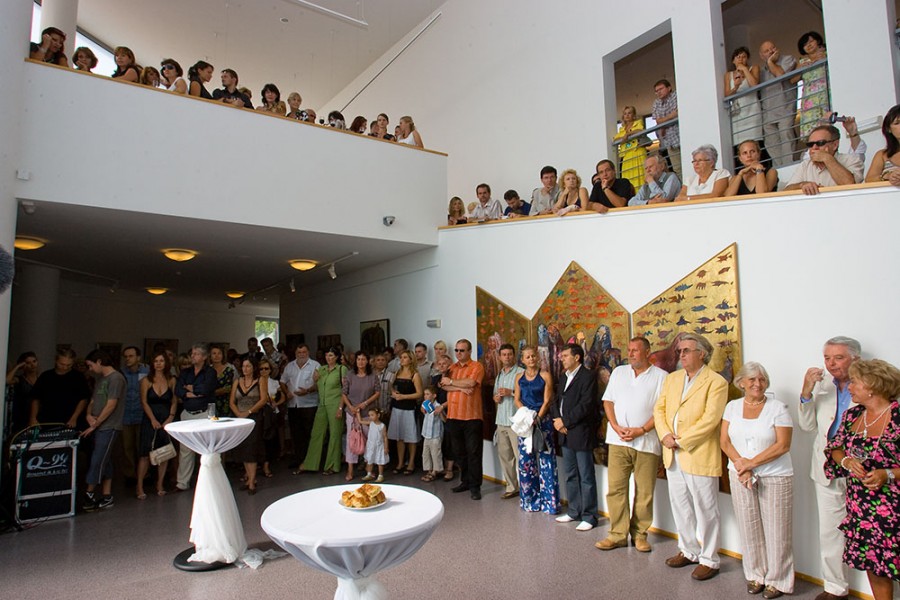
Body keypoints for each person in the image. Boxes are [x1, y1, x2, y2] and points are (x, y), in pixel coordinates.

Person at [653, 333, 728, 581]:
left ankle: (710, 559)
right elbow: (659, 409)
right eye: (680, 351)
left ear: (701, 354)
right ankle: (688, 550)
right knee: (681, 506)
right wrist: (665, 435)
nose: (681, 355)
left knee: (706, 509)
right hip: (672, 455)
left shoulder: (716, 382)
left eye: (686, 350)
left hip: (698, 454)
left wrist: (681, 441)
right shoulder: (673, 378)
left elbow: (710, 419)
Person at [825, 359, 900, 600]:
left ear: (872, 385)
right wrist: (846, 461)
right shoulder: (852, 416)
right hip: (862, 506)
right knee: (875, 566)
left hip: (894, 506)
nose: (850, 387)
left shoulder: (897, 416)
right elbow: (835, 448)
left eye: (854, 382)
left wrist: (887, 474)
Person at [720, 362, 794, 598]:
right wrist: (741, 465)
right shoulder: (732, 407)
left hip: (775, 476)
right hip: (739, 475)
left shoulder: (778, 408)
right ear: (741, 382)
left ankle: (778, 581)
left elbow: (783, 445)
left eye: (762, 379)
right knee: (748, 526)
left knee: (777, 531)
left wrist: (750, 464)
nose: (757, 384)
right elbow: (725, 442)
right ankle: (755, 575)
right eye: (752, 379)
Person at [799, 336, 861, 600]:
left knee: (874, 533)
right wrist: (806, 392)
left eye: (839, 357)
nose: (831, 363)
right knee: (830, 532)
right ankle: (836, 588)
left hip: (861, 470)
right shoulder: (822, 386)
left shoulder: (870, 385)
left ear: (856, 359)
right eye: (827, 358)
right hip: (826, 469)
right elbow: (807, 426)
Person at [595, 337, 666, 553]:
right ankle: (617, 534)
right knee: (616, 489)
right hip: (617, 440)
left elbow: (662, 410)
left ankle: (640, 535)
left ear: (648, 352)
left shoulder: (661, 377)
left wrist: (642, 430)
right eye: (629, 350)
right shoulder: (619, 372)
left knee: (644, 491)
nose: (631, 353)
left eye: (636, 350)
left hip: (646, 442)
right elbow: (608, 401)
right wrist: (615, 426)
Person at [552, 344, 598, 531]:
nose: (561, 358)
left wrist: (565, 421)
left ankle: (589, 516)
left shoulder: (588, 376)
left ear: (576, 357)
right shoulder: (564, 376)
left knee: (586, 476)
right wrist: (557, 420)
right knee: (570, 474)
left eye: (565, 355)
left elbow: (586, 405)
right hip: (564, 432)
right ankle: (573, 511)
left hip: (580, 432)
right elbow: (556, 400)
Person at [513, 345, 558, 513]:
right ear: (522, 360)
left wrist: (537, 417)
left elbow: (547, 400)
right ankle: (529, 501)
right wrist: (526, 415)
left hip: (542, 421)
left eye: (533, 356)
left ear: (537, 357)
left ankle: (550, 503)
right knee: (526, 462)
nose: (531, 359)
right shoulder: (519, 377)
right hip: (525, 422)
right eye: (528, 357)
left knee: (546, 460)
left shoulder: (545, 375)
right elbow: (517, 399)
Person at [81, 349, 127, 511]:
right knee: (104, 459)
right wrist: (88, 415)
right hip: (97, 424)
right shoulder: (100, 378)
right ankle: (107, 496)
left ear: (99, 361)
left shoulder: (116, 378)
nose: (90, 369)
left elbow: (111, 404)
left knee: (98, 459)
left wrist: (96, 423)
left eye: (91, 365)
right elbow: (93, 400)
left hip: (109, 426)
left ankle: (89, 492)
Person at [441, 339, 485, 500]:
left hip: (472, 417)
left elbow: (471, 382)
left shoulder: (476, 366)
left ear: (469, 351)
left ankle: (475, 487)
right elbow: (443, 385)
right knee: (459, 453)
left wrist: (452, 382)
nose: (458, 353)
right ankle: (465, 481)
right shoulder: (452, 367)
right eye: (457, 350)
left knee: (473, 453)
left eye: (462, 350)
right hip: (453, 416)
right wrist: (461, 387)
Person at [174, 343, 218, 492]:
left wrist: (192, 388)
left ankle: (209, 480)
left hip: (206, 412)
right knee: (185, 449)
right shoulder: (185, 372)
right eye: (192, 353)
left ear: (204, 357)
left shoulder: (210, 372)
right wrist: (190, 393)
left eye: (196, 354)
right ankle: (182, 482)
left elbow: (206, 389)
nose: (192, 356)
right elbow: (178, 389)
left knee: (208, 447)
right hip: (188, 412)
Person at [136, 351, 177, 499]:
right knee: (145, 454)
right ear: (152, 364)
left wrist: (170, 417)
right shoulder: (146, 380)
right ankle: (139, 486)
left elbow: (174, 400)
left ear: (166, 363)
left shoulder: (171, 380)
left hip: (166, 418)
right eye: (156, 361)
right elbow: (144, 402)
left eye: (161, 361)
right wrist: (152, 419)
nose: (159, 364)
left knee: (164, 452)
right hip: (150, 419)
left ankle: (160, 483)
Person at [299, 347, 346, 475]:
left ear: (336, 357)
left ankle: (332, 465)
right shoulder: (322, 369)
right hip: (322, 404)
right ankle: (310, 464)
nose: (328, 358)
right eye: (326, 355)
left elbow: (345, 390)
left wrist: (340, 408)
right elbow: (317, 386)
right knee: (316, 433)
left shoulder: (341, 369)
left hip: (335, 404)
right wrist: (311, 385)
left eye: (331, 355)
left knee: (335, 434)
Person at [784, 125, 864, 195]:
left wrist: (828, 159)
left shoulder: (851, 160)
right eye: (810, 144)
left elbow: (851, 186)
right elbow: (786, 191)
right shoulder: (805, 165)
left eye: (820, 143)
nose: (814, 147)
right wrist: (802, 185)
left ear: (835, 145)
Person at [229, 358, 268, 495]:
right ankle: (249, 478)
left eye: (248, 366)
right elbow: (232, 401)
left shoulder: (260, 380)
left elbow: (263, 399)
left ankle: (252, 481)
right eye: (243, 366)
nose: (245, 369)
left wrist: (249, 412)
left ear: (253, 367)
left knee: (251, 449)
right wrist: (239, 414)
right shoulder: (237, 381)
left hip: (254, 418)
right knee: (243, 449)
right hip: (240, 418)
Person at [758, 40, 798, 167]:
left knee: (787, 137)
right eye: (766, 51)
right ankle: (780, 170)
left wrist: (770, 62)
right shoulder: (761, 72)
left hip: (785, 108)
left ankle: (789, 167)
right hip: (768, 113)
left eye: (772, 48)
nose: (771, 51)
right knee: (771, 143)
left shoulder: (787, 59)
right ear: (761, 56)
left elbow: (780, 74)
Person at [281, 344, 320, 471]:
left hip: (309, 405)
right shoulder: (289, 366)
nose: (301, 354)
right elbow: (282, 381)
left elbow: (319, 384)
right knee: (296, 434)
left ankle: (310, 460)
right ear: (295, 354)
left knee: (309, 434)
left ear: (308, 352)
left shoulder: (315, 365)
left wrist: (307, 391)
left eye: (304, 352)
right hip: (293, 405)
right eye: (299, 352)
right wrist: (286, 392)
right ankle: (298, 459)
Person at [342, 351, 380, 481]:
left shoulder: (373, 376)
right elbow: (344, 393)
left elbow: (377, 392)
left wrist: (365, 403)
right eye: (358, 359)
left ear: (367, 361)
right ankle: (350, 470)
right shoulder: (350, 375)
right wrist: (351, 407)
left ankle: (369, 469)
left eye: (363, 359)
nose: (360, 362)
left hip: (368, 413)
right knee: (352, 439)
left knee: (370, 440)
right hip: (352, 413)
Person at [29, 348, 90, 429]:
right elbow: (36, 398)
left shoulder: (78, 377)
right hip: (48, 420)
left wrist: (74, 417)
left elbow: (83, 399)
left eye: (69, 365)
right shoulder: (46, 376)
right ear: (56, 361)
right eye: (62, 364)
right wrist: (33, 418)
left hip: (71, 421)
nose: (65, 367)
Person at [494, 344, 524, 499]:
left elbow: (526, 394)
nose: (507, 357)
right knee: (506, 457)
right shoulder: (499, 374)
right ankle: (512, 487)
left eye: (509, 354)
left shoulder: (521, 372)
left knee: (521, 457)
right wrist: (496, 397)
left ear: (514, 355)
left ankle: (526, 489)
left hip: (516, 422)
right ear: (500, 357)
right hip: (501, 421)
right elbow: (495, 395)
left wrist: (511, 392)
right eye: (504, 354)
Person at [388, 349, 423, 475]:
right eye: (401, 357)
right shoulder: (397, 372)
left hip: (409, 408)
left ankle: (411, 463)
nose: (402, 359)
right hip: (397, 407)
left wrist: (403, 397)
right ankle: (400, 462)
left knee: (410, 437)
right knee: (399, 437)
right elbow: (391, 386)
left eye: (405, 357)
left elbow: (419, 393)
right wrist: (393, 392)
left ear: (410, 359)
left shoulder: (415, 375)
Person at [120, 346, 149, 485]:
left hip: (142, 413)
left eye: (131, 356)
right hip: (126, 414)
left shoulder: (147, 371)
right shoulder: (121, 373)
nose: (128, 359)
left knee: (142, 446)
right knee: (127, 447)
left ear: (138, 357)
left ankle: (144, 475)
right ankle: (130, 475)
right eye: (125, 356)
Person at [724, 46, 763, 148]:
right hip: (737, 113)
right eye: (738, 57)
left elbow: (754, 85)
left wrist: (744, 69)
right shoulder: (728, 75)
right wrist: (736, 87)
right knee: (739, 144)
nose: (741, 59)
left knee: (755, 142)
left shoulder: (753, 68)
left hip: (752, 110)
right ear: (733, 60)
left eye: (744, 57)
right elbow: (727, 94)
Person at [794, 31, 829, 139]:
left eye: (811, 41)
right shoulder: (802, 61)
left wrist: (824, 57)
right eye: (805, 44)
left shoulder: (827, 53)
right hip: (810, 99)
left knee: (827, 126)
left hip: (825, 94)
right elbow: (792, 80)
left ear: (817, 41)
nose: (808, 45)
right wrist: (800, 68)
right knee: (812, 130)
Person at [613, 106, 649, 189]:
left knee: (641, 175)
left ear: (634, 115)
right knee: (628, 178)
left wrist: (628, 134)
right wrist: (623, 138)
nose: (627, 115)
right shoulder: (622, 129)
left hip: (638, 152)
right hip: (627, 156)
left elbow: (640, 130)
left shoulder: (638, 123)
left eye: (629, 113)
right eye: (625, 114)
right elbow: (615, 139)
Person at [651, 79, 681, 177]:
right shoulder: (656, 103)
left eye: (661, 89)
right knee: (677, 168)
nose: (658, 92)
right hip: (669, 141)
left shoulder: (677, 95)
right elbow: (658, 121)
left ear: (669, 88)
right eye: (656, 91)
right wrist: (671, 116)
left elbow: (678, 113)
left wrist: (664, 121)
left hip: (681, 135)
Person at [258, 359, 283, 478]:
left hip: (271, 413)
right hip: (259, 412)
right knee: (258, 440)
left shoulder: (274, 382)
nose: (264, 371)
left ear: (270, 370)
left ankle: (266, 465)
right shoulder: (255, 381)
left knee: (269, 440)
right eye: (261, 369)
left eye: (266, 368)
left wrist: (276, 403)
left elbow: (283, 396)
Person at [865, 104, 900, 187]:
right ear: (888, 129)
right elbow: (869, 180)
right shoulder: (882, 155)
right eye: (897, 123)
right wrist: (887, 176)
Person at [6, 351, 39, 435]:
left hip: (38, 417)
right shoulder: (20, 380)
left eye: (34, 361)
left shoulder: (41, 379)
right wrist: (17, 366)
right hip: (22, 417)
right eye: (28, 363)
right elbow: (7, 380)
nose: (32, 365)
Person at [419, 386, 444, 482]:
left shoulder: (438, 405)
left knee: (435, 453)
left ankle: (435, 471)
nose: (425, 396)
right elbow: (423, 410)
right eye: (424, 394)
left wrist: (440, 412)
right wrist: (423, 409)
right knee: (426, 453)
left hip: (435, 434)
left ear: (434, 395)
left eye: (427, 394)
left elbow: (444, 419)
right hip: (426, 433)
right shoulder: (425, 404)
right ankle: (428, 470)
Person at [358, 408, 389, 482]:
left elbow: (385, 437)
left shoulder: (382, 426)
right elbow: (360, 421)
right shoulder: (371, 423)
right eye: (369, 415)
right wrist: (358, 413)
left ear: (378, 415)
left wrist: (386, 447)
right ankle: (369, 474)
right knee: (370, 460)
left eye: (372, 415)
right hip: (371, 446)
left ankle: (380, 475)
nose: (370, 417)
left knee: (380, 460)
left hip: (379, 446)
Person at [210, 344, 234, 418]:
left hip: (226, 405)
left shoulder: (229, 370)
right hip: (211, 405)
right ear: (210, 356)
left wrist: (210, 393)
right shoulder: (206, 371)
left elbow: (228, 388)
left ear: (223, 355)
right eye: (214, 353)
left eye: (219, 353)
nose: (216, 356)